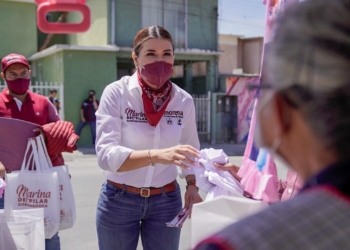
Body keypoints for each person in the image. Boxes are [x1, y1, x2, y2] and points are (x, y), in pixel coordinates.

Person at [195, 0, 350, 249]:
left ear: (280, 108)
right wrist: (246, 178)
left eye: (261, 89)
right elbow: (298, 188)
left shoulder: (234, 244)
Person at [95, 25, 203, 250]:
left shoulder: (183, 101)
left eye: (167, 54)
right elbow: (106, 155)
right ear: (136, 58)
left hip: (166, 200)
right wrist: (157, 155)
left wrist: (192, 184)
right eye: (151, 54)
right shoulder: (117, 93)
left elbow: (190, 148)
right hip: (119, 199)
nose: (160, 61)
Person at [0, 53, 78, 250]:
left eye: (23, 73)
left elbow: (61, 134)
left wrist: (60, 171)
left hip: (40, 183)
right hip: (7, 185)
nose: (19, 78)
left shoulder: (43, 103)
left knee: (48, 235)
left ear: (30, 73)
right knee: (11, 238)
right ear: (4, 76)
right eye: (13, 74)